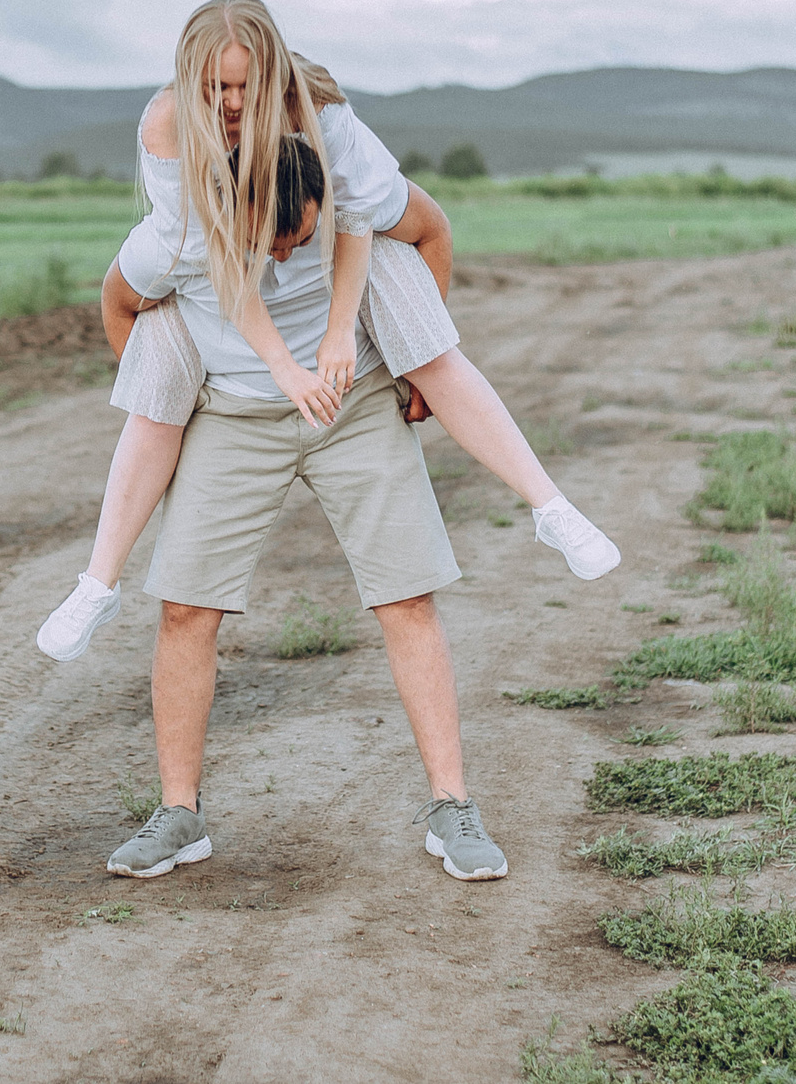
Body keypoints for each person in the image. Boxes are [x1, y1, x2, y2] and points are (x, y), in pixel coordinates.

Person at [36, 0, 619, 662]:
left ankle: (550, 506)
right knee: (160, 364)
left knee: (407, 292)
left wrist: (359, 338)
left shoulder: (318, 113)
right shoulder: (170, 126)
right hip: (197, 265)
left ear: (274, 76)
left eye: (243, 86)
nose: (228, 102)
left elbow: (389, 225)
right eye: (213, 86)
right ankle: (96, 582)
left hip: (336, 249)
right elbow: (214, 260)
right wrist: (207, 391)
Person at [98, 130, 508, 880]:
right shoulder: (184, 231)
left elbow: (434, 232)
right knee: (185, 607)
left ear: (328, 204)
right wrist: (168, 397)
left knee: (407, 596)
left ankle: (453, 808)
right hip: (231, 414)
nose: (282, 258)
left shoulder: (359, 194)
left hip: (354, 408)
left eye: (300, 239)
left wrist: (417, 366)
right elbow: (118, 301)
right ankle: (178, 813)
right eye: (267, 244)